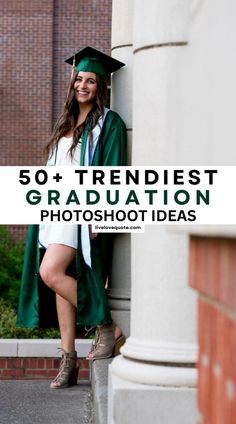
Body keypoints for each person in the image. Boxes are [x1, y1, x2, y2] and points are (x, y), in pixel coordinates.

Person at [17, 46, 127, 389]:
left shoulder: (110, 123)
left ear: (101, 86)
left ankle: (106, 324)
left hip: (81, 211)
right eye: (78, 78)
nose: (83, 85)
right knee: (57, 277)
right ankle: (69, 359)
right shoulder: (64, 122)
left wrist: (99, 213)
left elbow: (113, 170)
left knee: (50, 272)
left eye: (90, 80)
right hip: (55, 210)